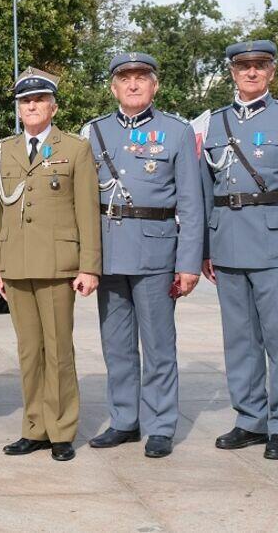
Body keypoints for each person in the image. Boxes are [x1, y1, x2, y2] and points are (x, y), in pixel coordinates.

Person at [79, 53, 203, 459]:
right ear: (113, 87)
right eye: (125, 78)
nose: (133, 85)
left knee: (159, 345)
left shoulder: (177, 131)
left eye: (141, 78)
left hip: (155, 251)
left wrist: (188, 263)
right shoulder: (93, 132)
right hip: (108, 251)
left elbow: (191, 203)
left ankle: (161, 425)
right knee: (116, 345)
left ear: (155, 85)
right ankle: (124, 420)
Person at [199, 40, 278, 461]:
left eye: (260, 65)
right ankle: (250, 418)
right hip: (227, 242)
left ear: (271, 72)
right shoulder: (213, 124)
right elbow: (204, 192)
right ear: (232, 72)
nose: (251, 72)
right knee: (239, 339)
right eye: (243, 66)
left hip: (275, 244)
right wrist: (205, 249)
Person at [0, 68, 101, 462]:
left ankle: (62, 430)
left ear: (53, 107)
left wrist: (89, 266)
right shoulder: (4, 149)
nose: (32, 106)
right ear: (19, 109)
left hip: (58, 264)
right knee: (28, 352)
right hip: (16, 265)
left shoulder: (75, 148)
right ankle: (34, 427)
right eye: (25, 101)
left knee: (58, 351)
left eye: (39, 100)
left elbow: (87, 211)